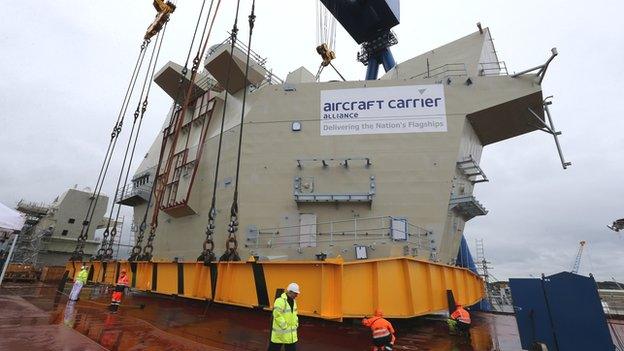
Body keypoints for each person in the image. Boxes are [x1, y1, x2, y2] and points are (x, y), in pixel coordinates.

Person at [268, 282, 300, 351]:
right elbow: (277, 314)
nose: (297, 295)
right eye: (295, 293)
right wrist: (284, 326)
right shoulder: (280, 301)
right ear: (290, 292)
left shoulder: (294, 302)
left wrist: (296, 323)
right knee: (274, 348)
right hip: (280, 334)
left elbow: (295, 314)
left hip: (290, 335)